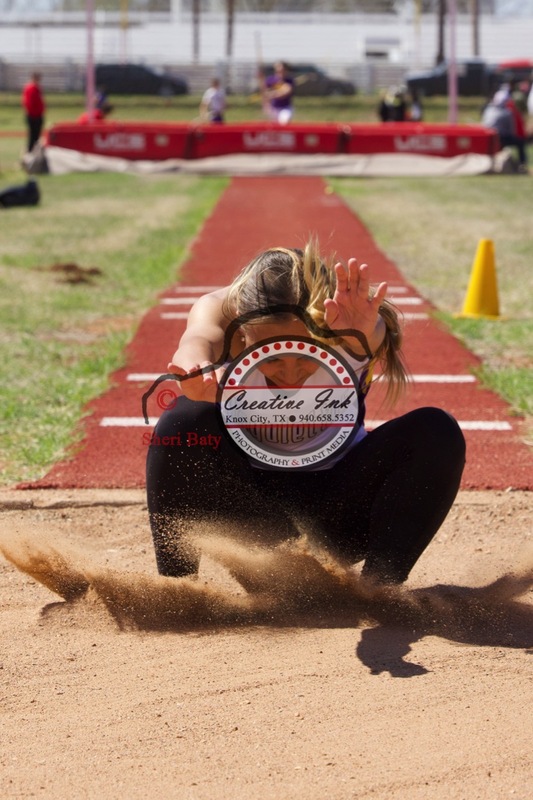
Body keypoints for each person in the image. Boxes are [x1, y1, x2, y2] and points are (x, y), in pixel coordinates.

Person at [146, 241, 466, 586]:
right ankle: (178, 591)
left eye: (305, 358)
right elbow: (196, 340)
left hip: (338, 518)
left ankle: (379, 592)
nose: (290, 375)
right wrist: (197, 371)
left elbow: (371, 337)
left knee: (436, 429)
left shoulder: (347, 319)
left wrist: (358, 332)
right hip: (251, 520)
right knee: (183, 418)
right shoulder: (220, 310)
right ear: (243, 332)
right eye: (271, 359)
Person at [482, 88, 528, 172]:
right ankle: (523, 164)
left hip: (488, 137)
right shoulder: (508, 112)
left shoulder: (488, 109)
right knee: (520, 142)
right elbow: (512, 131)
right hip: (499, 137)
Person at [21, 72, 46, 153]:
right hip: (33, 115)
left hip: (37, 114)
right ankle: (30, 152)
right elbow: (29, 103)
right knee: (33, 136)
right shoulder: (31, 88)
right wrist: (34, 114)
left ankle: (34, 152)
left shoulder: (37, 88)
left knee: (36, 136)